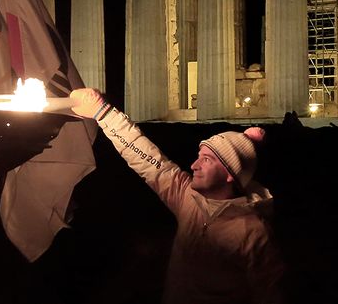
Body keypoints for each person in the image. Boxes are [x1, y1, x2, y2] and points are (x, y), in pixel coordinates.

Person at [69, 88, 284, 304]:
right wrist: (103, 113)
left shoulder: (254, 232)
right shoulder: (187, 197)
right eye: (199, 157)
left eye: (207, 160)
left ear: (230, 174)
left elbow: (272, 294)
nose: (194, 165)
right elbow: (148, 159)